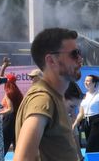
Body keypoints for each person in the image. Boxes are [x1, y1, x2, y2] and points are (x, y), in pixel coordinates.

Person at [13, 28, 83, 161]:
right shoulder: (43, 99)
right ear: (51, 60)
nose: (80, 59)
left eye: (79, 53)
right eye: (74, 54)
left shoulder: (54, 96)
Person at [73, 75, 99, 153]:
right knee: (93, 148)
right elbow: (81, 113)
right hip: (86, 122)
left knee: (90, 148)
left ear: (94, 83)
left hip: (97, 121)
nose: (86, 82)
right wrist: (74, 124)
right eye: (85, 80)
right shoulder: (85, 96)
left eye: (88, 81)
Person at [0, 73, 23, 155]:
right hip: (17, 120)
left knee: (3, 145)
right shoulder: (18, 93)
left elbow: (10, 109)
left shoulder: (8, 93)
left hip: (9, 120)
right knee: (17, 146)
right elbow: (1, 105)